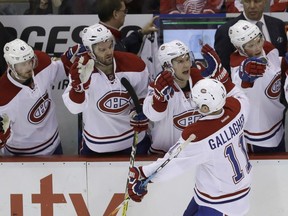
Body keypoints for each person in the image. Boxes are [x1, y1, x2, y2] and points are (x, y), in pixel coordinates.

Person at [128, 78, 252, 216]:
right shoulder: (237, 108)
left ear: (205, 108)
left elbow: (172, 163)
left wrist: (143, 174)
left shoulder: (200, 135)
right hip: (219, 192)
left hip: (222, 203)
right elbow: (240, 95)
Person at [62, 23, 151, 155]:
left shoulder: (134, 64)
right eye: (102, 50)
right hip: (96, 147)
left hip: (134, 141)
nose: (109, 52)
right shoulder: (81, 70)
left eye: (110, 46)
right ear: (90, 51)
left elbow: (145, 95)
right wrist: (78, 89)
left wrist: (143, 110)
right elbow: (75, 109)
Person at [143, 40, 233, 155]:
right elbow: (153, 116)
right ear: (167, 65)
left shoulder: (200, 78)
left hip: (197, 153)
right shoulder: (158, 86)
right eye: (180, 61)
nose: (187, 65)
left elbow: (222, 104)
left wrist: (219, 75)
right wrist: (159, 98)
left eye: (187, 59)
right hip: (163, 154)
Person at [0, 39, 68, 155]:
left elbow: (62, 70)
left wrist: (72, 59)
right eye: (22, 64)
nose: (28, 67)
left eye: (29, 61)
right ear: (10, 65)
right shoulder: (3, 95)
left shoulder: (42, 62)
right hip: (21, 155)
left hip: (54, 145)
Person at [229, 20, 286, 153]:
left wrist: (285, 63)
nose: (257, 48)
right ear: (240, 48)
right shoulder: (242, 66)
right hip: (257, 134)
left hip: (277, 123)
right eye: (250, 45)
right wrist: (246, 78)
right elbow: (242, 78)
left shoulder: (268, 49)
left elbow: (276, 66)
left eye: (258, 40)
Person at [215, 0, 287, 75]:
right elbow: (224, 70)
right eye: (247, 1)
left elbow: (282, 61)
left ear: (265, 1)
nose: (252, 6)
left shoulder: (278, 25)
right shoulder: (225, 31)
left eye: (257, 1)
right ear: (242, 2)